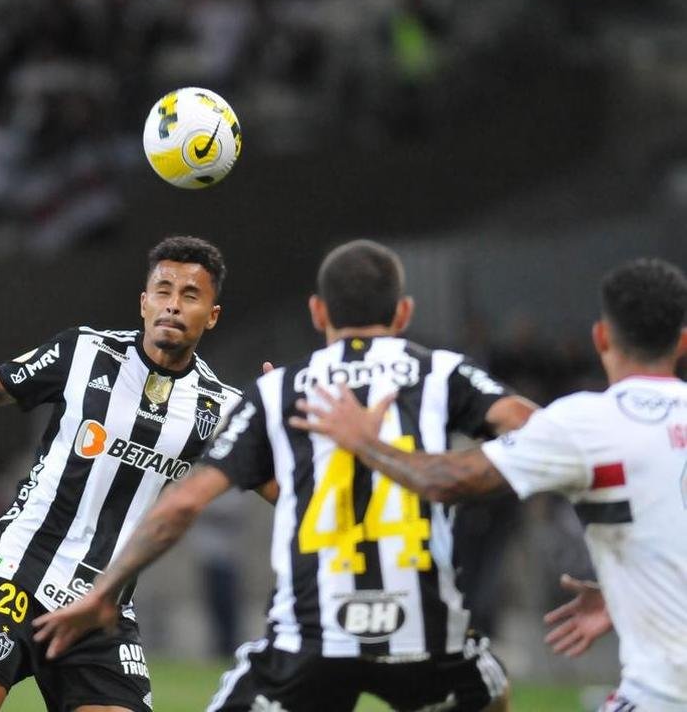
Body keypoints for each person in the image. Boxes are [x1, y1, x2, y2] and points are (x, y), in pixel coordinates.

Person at [34, 239, 537, 712]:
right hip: (426, 633)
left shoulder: (281, 391)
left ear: (318, 312)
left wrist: (102, 595)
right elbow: (542, 433)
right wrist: (456, 475)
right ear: (403, 313)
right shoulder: (443, 372)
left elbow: (184, 504)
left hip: (311, 636)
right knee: (492, 689)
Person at [289, 257, 687, 712]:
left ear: (601, 337)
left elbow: (447, 482)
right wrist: (629, 588)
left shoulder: (587, 423)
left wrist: (363, 442)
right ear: (682, 342)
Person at [0, 235, 254, 712]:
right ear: (144, 302)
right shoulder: (84, 351)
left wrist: (279, 415)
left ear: (212, 315)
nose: (173, 305)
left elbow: (279, 479)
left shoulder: (222, 405)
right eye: (163, 291)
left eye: (190, 296)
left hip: (102, 605)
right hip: (20, 570)